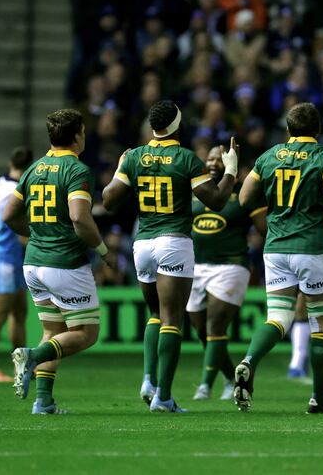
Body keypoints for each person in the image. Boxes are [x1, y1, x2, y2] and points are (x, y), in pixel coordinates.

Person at [102, 100, 238, 412]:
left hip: (143, 243)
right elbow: (216, 200)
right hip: (174, 241)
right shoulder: (186, 158)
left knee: (154, 313)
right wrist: (231, 168)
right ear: (178, 125)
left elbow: (108, 200)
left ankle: (148, 379)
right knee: (172, 320)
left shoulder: (134, 156)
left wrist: (121, 168)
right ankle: (163, 397)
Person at [232, 102, 323, 414]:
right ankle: (318, 399)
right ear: (317, 130)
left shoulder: (268, 156)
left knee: (278, 317)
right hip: (313, 248)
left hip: (277, 247)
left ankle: (250, 361)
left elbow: (243, 198)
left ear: (288, 130)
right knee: (322, 324)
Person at [3, 109, 110, 414]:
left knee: (54, 330)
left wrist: (37, 233)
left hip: (33, 262)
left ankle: (43, 401)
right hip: (64, 262)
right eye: (84, 132)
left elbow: (9, 214)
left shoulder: (34, 168)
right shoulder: (76, 171)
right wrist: (103, 250)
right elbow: (79, 217)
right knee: (85, 333)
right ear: (77, 136)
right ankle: (32, 356)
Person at [188, 145, 267, 401]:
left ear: (230, 163)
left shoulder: (243, 192)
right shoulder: (195, 190)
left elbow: (264, 228)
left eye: (219, 159)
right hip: (195, 266)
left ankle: (204, 386)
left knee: (215, 325)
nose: (213, 162)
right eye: (209, 158)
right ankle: (230, 377)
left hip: (231, 265)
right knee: (202, 332)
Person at [0, 146, 33, 382]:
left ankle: (20, 367)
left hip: (7, 255)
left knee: (19, 312)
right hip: (5, 258)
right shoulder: (21, 191)